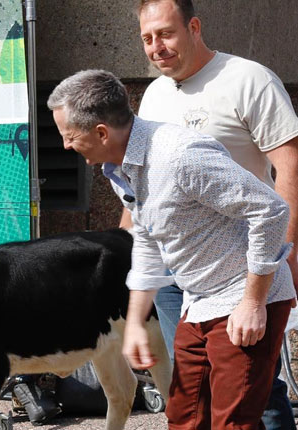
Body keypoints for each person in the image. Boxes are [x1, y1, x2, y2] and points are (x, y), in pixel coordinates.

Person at [48, 69, 295, 429]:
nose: (66, 146)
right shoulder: (120, 166)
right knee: (184, 418)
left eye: (69, 136)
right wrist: (133, 321)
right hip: (197, 303)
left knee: (233, 422)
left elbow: (270, 209)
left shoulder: (179, 155)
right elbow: (147, 237)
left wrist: (253, 302)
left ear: (101, 132)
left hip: (244, 298)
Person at [121, 1, 298, 428]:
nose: (156, 47)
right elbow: (138, 192)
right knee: (190, 391)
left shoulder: (248, 79)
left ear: (194, 26)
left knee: (257, 392)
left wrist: (282, 259)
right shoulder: (154, 96)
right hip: (173, 277)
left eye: (165, 34)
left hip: (238, 271)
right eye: (147, 38)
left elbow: (289, 169)